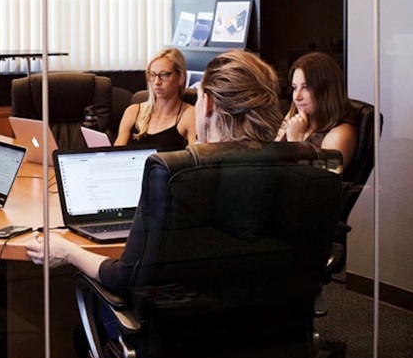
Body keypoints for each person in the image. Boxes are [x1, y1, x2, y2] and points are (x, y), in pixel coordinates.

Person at [28, 49, 284, 289]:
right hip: (277, 326)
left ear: (206, 105)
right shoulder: (298, 169)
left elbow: (123, 276)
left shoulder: (176, 179)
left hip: (179, 326)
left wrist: (68, 251)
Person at [275, 52, 357, 173]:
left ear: (326, 90)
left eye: (306, 87)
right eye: (294, 88)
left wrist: (296, 143)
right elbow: (271, 160)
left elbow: (321, 179)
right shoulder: (296, 117)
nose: (297, 96)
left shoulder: (341, 133)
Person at [114, 48, 196, 152]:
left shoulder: (190, 114)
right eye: (152, 75)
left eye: (164, 75)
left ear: (181, 77)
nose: (157, 82)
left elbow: (197, 160)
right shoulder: (133, 111)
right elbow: (116, 155)